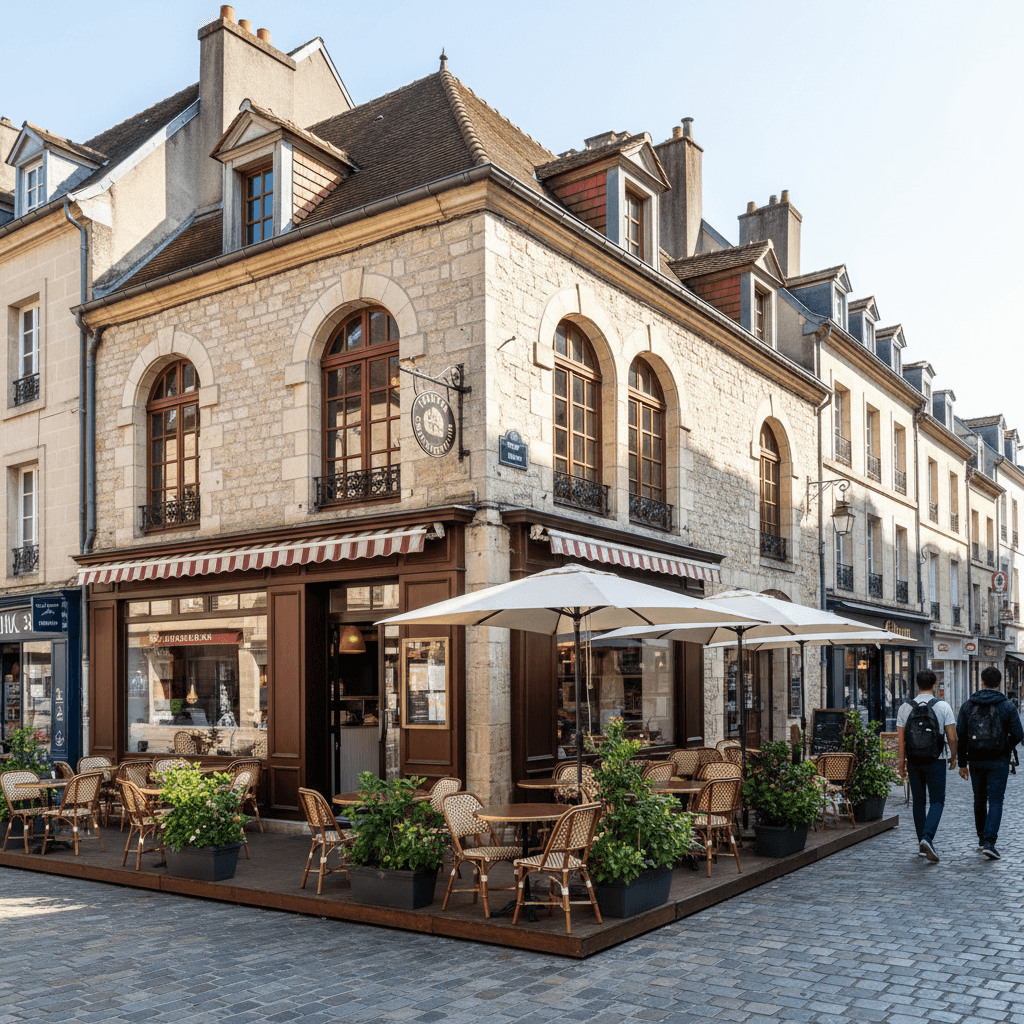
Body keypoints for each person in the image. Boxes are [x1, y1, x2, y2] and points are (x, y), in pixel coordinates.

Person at [956, 666, 1023, 860]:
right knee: (995, 800)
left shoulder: (968, 705)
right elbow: (1019, 733)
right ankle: (989, 842)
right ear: (1000, 683)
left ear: (982, 682)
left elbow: (961, 736)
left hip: (975, 760)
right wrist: (1005, 746)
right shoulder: (1007, 705)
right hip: (998, 761)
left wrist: (962, 763)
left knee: (979, 799)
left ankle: (981, 837)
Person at [897, 669, 957, 862]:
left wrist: (901, 764)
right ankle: (927, 838)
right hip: (936, 759)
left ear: (916, 685)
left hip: (914, 760)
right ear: (934, 685)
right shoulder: (943, 706)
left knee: (919, 802)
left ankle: (922, 845)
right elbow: (952, 737)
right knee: (937, 801)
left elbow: (901, 742)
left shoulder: (905, 708)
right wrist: (953, 756)